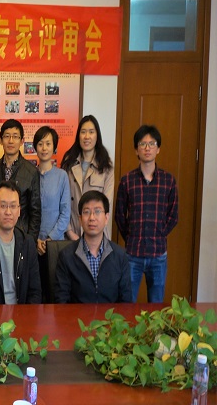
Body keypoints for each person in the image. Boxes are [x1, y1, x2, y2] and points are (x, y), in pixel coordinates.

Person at [115, 125, 179, 303]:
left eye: (152, 143)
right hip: (133, 253)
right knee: (127, 303)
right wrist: (131, 235)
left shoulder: (168, 180)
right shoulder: (127, 180)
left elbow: (173, 215)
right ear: (136, 150)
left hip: (158, 254)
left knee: (156, 305)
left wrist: (159, 233)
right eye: (143, 144)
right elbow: (119, 215)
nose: (147, 148)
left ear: (158, 149)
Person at [56, 191, 132, 304]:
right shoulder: (66, 256)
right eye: (86, 212)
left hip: (110, 315)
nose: (92, 217)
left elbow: (126, 301)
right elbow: (61, 301)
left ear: (106, 218)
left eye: (97, 211)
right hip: (77, 315)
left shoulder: (120, 256)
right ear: (80, 219)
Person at [60, 115, 114, 240]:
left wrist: (92, 234)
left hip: (97, 235)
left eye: (91, 132)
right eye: (83, 132)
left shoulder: (106, 167)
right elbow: (62, 202)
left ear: (97, 136)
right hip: (71, 232)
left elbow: (107, 204)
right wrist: (69, 232)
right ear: (78, 135)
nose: (87, 136)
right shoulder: (68, 163)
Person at [0, 119, 41, 241]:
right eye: (7, 136)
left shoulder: (31, 171)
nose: (11, 141)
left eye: (15, 137)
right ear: (0, 140)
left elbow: (35, 213)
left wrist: (30, 241)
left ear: (22, 141)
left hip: (21, 235)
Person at [33, 126, 71, 302]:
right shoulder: (30, 174)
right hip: (33, 244)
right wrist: (35, 239)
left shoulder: (62, 176)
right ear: (35, 147)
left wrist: (49, 239)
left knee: (54, 293)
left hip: (55, 244)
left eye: (48, 144)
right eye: (40, 144)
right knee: (35, 293)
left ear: (54, 147)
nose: (44, 148)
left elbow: (65, 212)